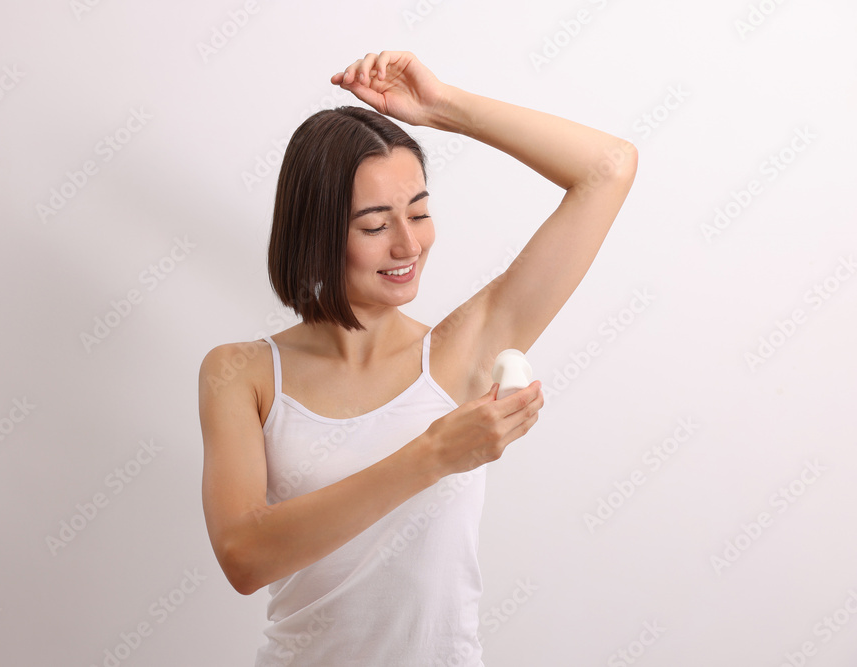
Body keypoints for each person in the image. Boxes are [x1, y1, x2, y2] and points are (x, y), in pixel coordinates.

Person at [199, 50, 637, 666]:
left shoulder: (464, 351)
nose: (409, 244)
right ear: (316, 231)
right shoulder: (240, 373)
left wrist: (443, 107)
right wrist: (433, 455)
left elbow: (609, 167)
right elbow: (245, 557)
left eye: (420, 213)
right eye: (375, 226)